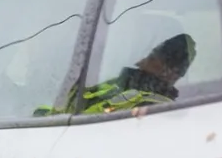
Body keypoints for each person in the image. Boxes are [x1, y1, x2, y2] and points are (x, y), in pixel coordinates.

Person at [35, 32, 197, 117]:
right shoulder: (119, 83)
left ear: (170, 72)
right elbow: (66, 112)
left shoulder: (154, 108)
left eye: (153, 57)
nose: (140, 61)